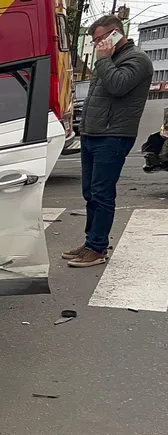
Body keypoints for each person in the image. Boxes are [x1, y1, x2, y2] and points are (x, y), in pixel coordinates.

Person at [63, 15, 153, 268]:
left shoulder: (136, 59)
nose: (97, 44)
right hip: (93, 133)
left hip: (114, 135)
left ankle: (97, 248)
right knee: (90, 191)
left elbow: (118, 86)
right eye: (95, 41)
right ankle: (92, 241)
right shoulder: (109, 60)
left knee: (102, 193)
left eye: (100, 39)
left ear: (115, 33)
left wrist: (103, 59)